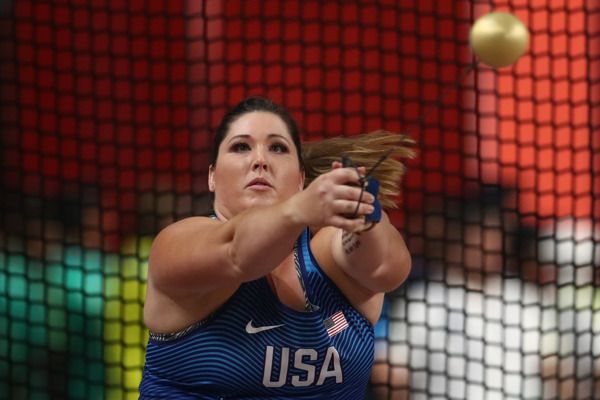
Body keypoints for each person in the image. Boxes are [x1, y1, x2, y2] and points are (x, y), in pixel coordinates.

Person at [139, 96, 414, 399]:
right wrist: (297, 211)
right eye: (241, 147)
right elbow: (237, 255)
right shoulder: (177, 243)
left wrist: (363, 217)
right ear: (212, 176)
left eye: (278, 148)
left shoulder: (325, 257)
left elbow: (386, 270)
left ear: (300, 179)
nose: (260, 160)